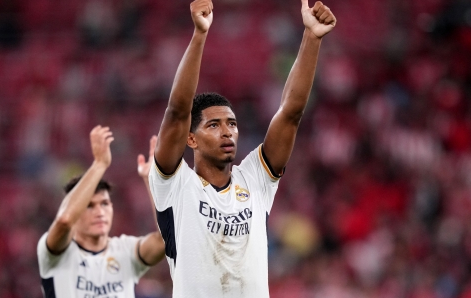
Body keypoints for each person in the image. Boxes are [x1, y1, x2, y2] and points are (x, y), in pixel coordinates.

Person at [149, 0, 336, 296]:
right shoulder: (176, 185)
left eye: (232, 124)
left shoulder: (255, 180)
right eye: (213, 125)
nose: (227, 132)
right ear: (191, 139)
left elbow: (290, 113)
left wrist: (312, 38)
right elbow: (177, 111)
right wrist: (199, 35)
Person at [37, 126, 165, 298]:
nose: (100, 212)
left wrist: (154, 183)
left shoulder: (125, 250)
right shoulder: (56, 253)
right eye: (89, 206)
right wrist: (99, 164)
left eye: (105, 203)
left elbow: (164, 240)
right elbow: (65, 220)